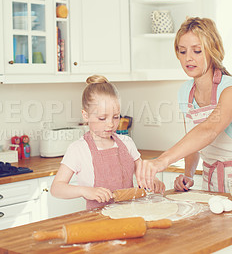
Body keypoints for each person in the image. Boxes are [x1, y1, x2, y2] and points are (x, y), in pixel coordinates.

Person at [136, 17, 232, 193]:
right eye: (182, 52)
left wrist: (162, 160)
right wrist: (188, 175)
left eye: (197, 51)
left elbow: (209, 130)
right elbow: (194, 139)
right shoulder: (185, 92)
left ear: (212, 50)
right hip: (212, 181)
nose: (188, 58)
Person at [51, 75, 165, 210]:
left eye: (116, 117)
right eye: (102, 118)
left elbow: (142, 173)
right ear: (86, 115)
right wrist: (85, 191)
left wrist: (154, 180)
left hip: (129, 214)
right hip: (97, 221)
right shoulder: (78, 149)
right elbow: (56, 188)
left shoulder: (127, 143)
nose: (111, 124)